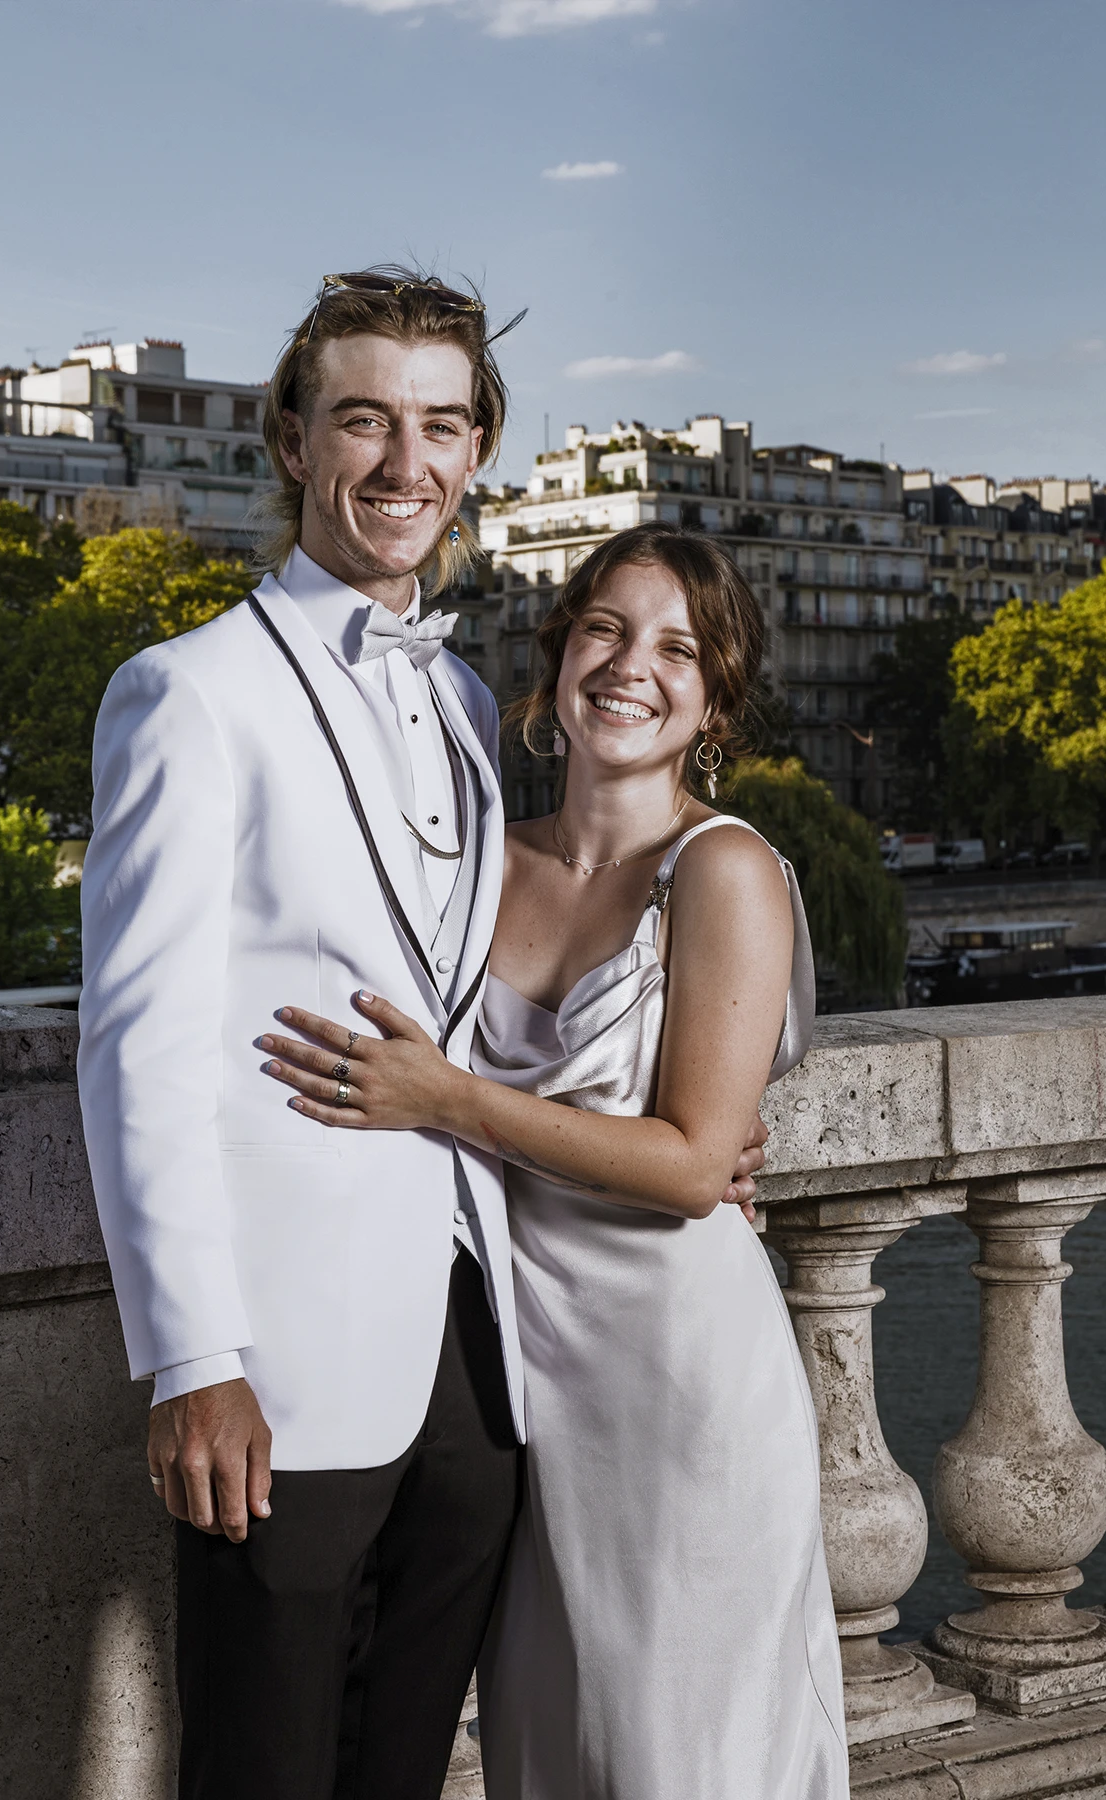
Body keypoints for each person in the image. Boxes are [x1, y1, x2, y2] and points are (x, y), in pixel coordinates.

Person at [78, 273, 768, 1800]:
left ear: (479, 454)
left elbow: (474, 998)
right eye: (366, 419)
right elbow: (136, 1050)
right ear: (291, 438)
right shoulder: (186, 696)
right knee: (262, 1770)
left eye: (442, 425)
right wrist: (192, 1356)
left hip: (481, 1368)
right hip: (288, 1369)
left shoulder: (462, 695)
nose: (406, 463)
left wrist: (676, 1130)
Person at [261, 522, 850, 1800]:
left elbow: (695, 1167)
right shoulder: (482, 862)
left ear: (714, 702)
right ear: (557, 652)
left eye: (679, 649)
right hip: (522, 1379)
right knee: (552, 1743)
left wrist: (448, 1096)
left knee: (675, 1751)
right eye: (607, 629)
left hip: (679, 1383)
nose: (634, 666)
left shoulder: (725, 868)